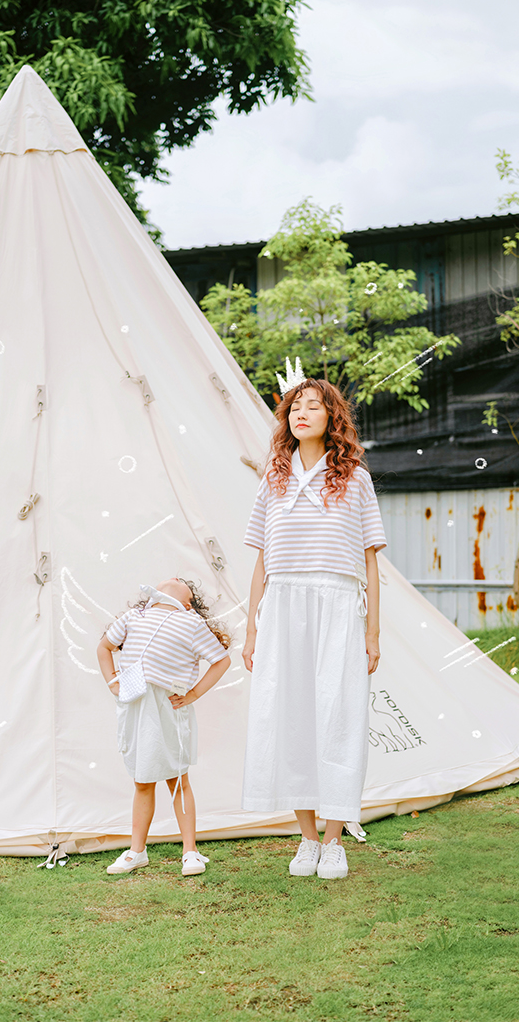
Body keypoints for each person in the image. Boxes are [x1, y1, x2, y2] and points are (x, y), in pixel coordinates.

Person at [241, 370, 386, 880]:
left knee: (338, 717)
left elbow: (370, 560)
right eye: (294, 407)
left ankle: (334, 840)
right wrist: (251, 629)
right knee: (290, 717)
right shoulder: (273, 479)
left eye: (313, 406)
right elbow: (261, 561)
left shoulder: (356, 478)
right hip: (282, 606)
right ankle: (306, 839)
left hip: (339, 605)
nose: (301, 413)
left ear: (332, 417)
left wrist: (372, 633)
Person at [97, 577, 231, 877]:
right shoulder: (135, 616)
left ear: (187, 603)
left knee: (177, 779)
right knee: (142, 781)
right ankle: (136, 851)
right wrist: (112, 681)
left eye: (182, 582)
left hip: (169, 708)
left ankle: (190, 851)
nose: (175, 579)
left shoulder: (191, 623)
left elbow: (221, 660)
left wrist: (193, 693)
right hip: (136, 705)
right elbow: (104, 647)